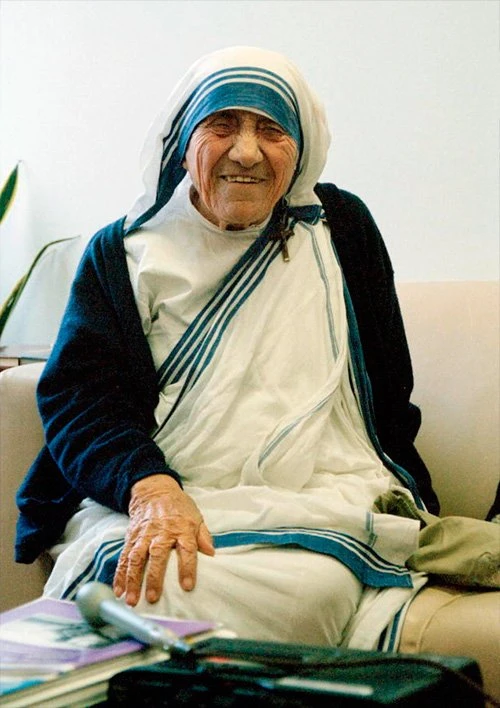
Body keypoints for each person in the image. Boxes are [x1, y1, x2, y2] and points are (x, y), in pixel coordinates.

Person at [15, 46, 439, 650]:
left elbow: (388, 385)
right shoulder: (125, 253)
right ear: (184, 142)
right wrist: (152, 489)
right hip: (161, 491)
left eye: (271, 130)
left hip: (319, 496)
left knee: (300, 594)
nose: (246, 152)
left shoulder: (340, 229)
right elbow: (81, 402)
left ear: (302, 148)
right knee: (135, 582)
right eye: (222, 125)